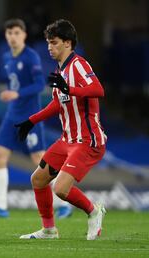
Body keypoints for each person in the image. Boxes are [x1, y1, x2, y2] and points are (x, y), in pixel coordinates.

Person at [15, 19, 107, 240]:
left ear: (67, 43)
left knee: (61, 189)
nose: (49, 47)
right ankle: (49, 230)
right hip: (68, 140)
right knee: (38, 179)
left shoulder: (79, 65)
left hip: (87, 140)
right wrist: (31, 121)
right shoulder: (60, 70)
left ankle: (94, 211)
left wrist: (71, 88)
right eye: (48, 43)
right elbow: (58, 103)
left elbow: (98, 90)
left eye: (54, 42)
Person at [0, 18, 71, 219]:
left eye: (17, 33)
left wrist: (16, 94)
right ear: (6, 35)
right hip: (12, 115)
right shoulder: (7, 58)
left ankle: (63, 204)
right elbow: (16, 84)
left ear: (24, 35)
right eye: (9, 33)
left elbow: (40, 85)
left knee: (40, 159)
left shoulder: (31, 57)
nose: (13, 37)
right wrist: (11, 94)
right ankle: (1, 207)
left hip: (30, 117)